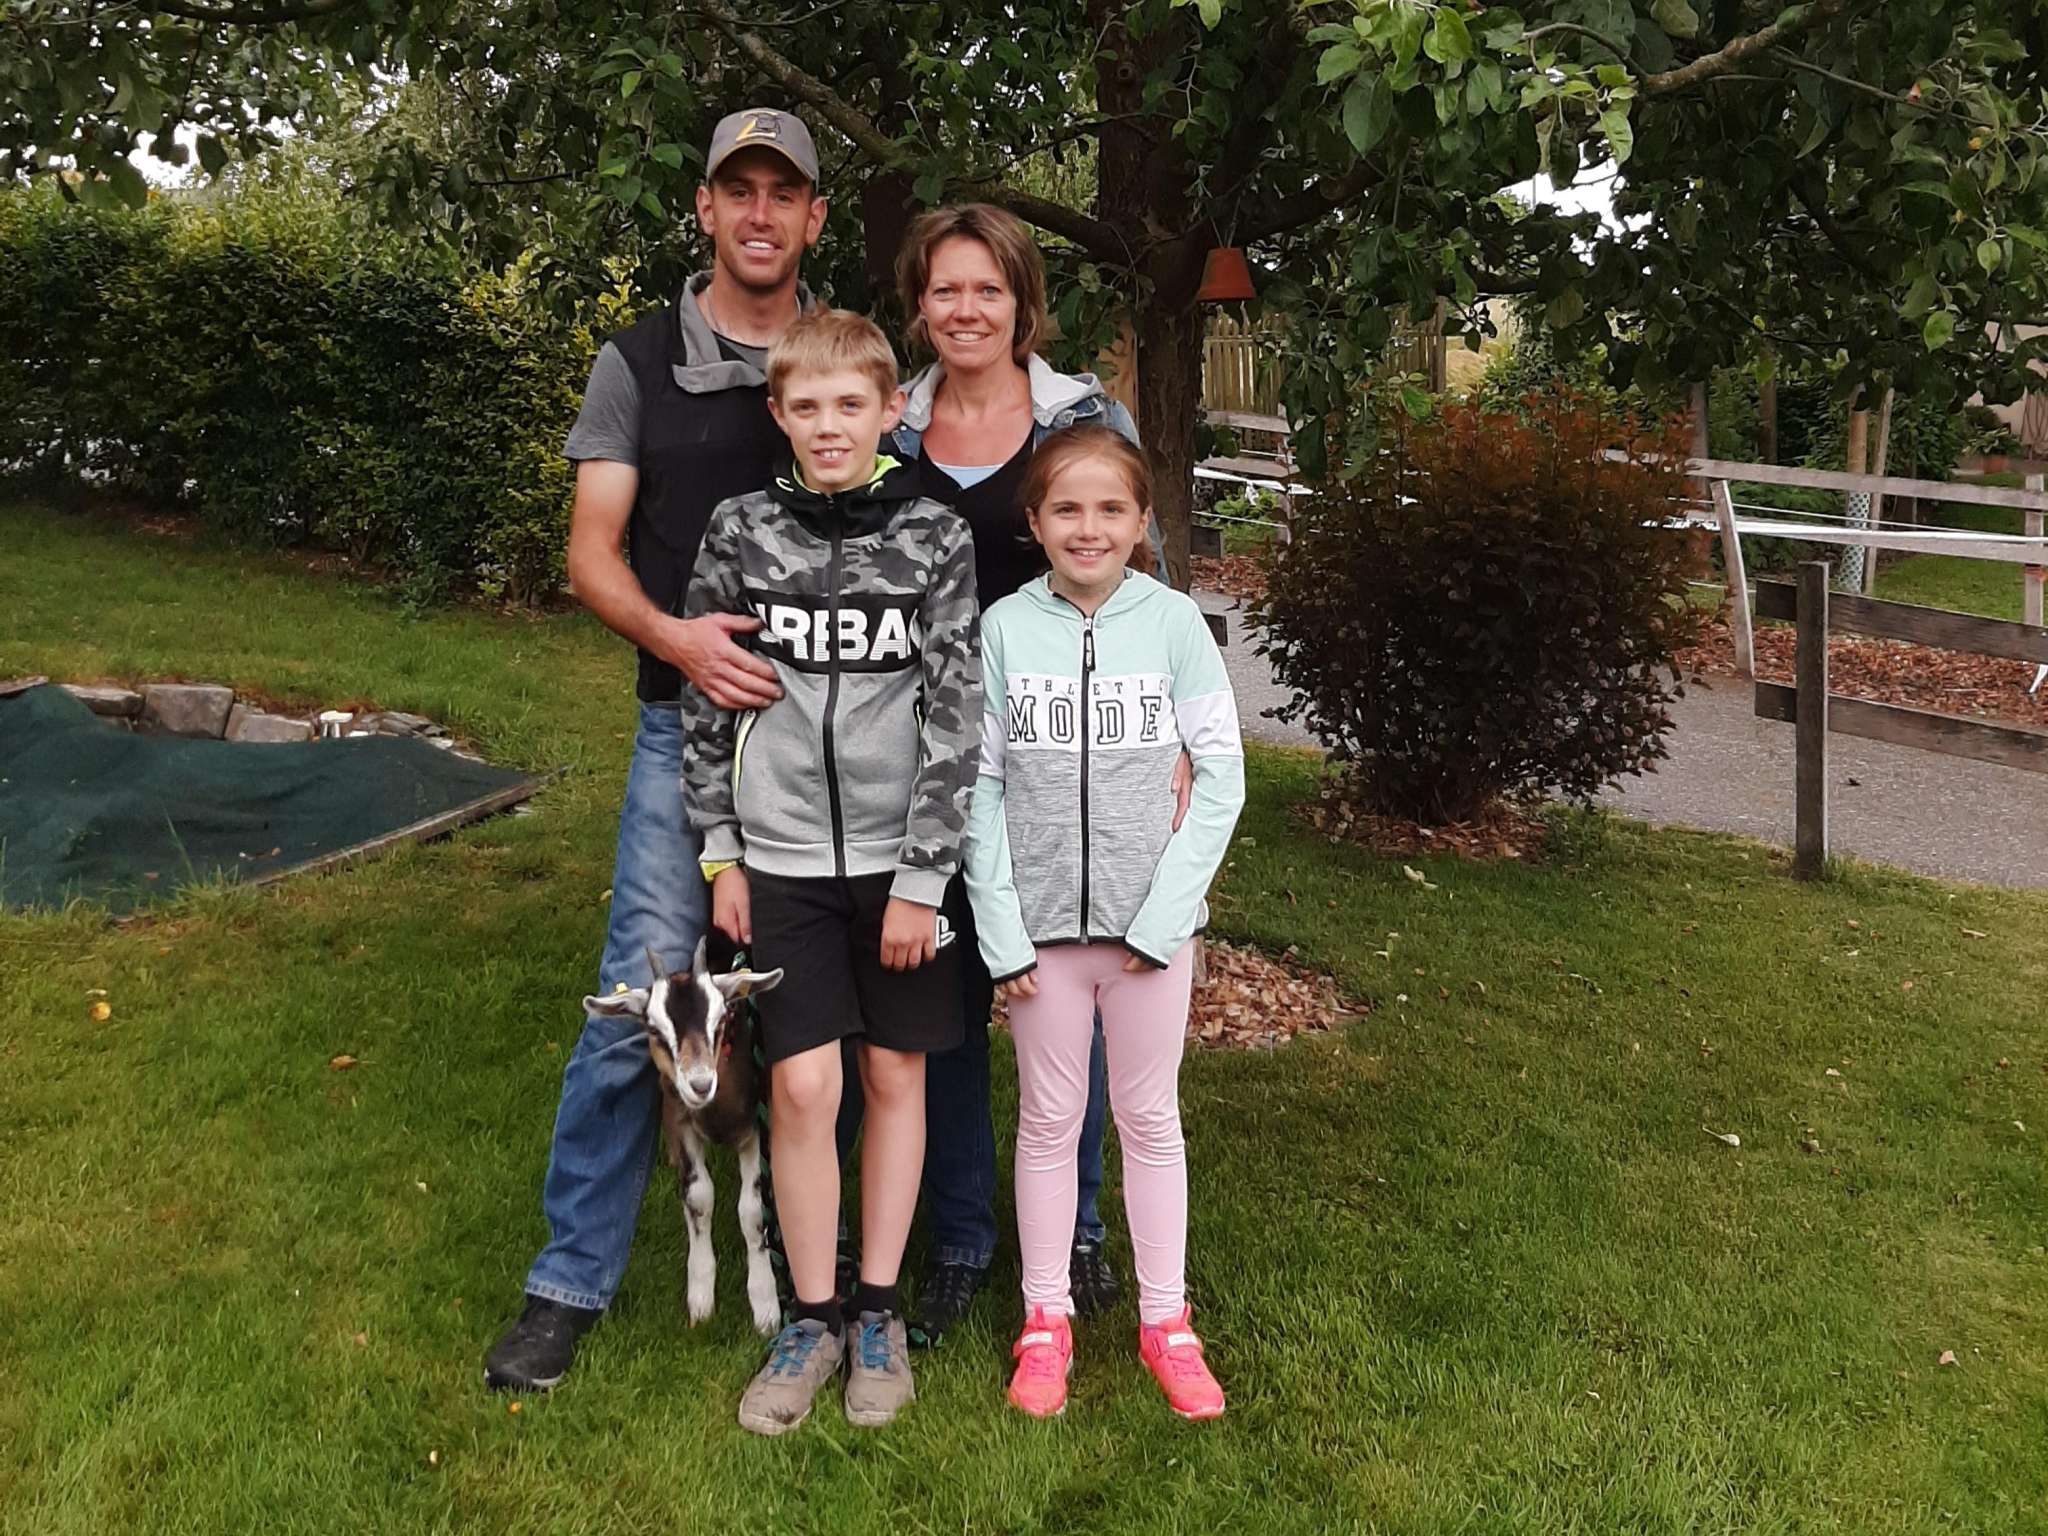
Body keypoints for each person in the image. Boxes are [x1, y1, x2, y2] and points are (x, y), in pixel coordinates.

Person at [482, 106, 823, 1394]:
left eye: (781, 192)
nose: (757, 213)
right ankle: (567, 1281)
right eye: (738, 189)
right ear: (705, 209)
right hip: (681, 730)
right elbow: (590, 552)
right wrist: (678, 641)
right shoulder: (636, 362)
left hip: (829, 741)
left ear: (812, 218)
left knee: (824, 995)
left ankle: (831, 1273)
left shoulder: (844, 354)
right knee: (641, 990)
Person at [877, 202, 1178, 1347]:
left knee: (1072, 1007)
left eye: (987, 290)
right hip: (917, 765)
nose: (965, 310)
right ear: (919, 305)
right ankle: (961, 1239)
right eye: (944, 289)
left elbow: (1142, 581)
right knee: (947, 1006)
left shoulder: (1082, 421)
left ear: (1022, 304)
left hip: (1065, 772)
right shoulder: (888, 427)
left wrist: (1173, 749)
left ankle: (1080, 1231)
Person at [682, 307, 982, 1435]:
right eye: (805, 406)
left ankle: (878, 1311)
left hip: (903, 867)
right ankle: (809, 1317)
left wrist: (924, 877)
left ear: (890, 411)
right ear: (777, 413)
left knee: (896, 1076)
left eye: (850, 404)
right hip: (782, 859)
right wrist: (720, 850)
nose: (828, 425)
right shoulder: (740, 530)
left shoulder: (935, 534)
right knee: (806, 1086)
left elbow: (956, 709)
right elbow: (708, 699)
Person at [964, 426, 1244, 1421]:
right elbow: (980, 789)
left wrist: (1164, 921)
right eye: (1067, 510)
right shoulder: (1003, 630)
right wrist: (1000, 930)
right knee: (1047, 1121)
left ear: (1141, 522)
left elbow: (1221, 780)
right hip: (1039, 938)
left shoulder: (1174, 625)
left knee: (1148, 1119)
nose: (1089, 528)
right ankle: (1045, 1319)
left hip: (1147, 941)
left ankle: (1167, 1321)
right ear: (1035, 522)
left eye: (1111, 509)